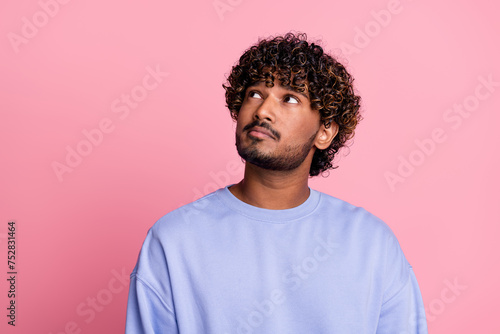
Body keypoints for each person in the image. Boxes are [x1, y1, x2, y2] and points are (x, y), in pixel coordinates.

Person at [125, 32, 428, 333]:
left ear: (325, 132)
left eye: (290, 99)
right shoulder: (173, 241)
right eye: (254, 94)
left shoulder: (372, 244)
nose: (262, 111)